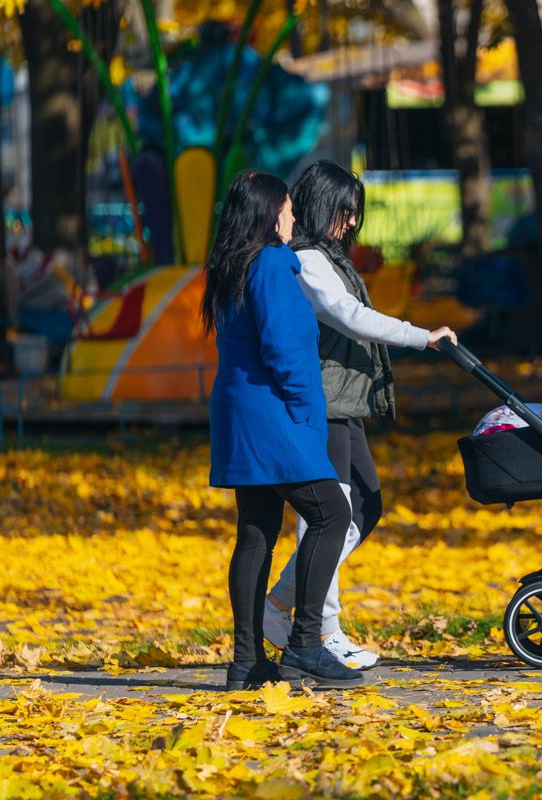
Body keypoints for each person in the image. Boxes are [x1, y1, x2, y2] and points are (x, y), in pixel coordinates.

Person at [262, 160, 456, 669]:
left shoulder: (328, 256)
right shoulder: (306, 259)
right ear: (322, 205)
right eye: (345, 212)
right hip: (323, 402)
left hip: (344, 402)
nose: (351, 223)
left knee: (364, 509)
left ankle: (283, 605)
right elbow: (349, 317)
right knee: (328, 517)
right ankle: (320, 628)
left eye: (355, 214)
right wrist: (422, 336)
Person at [203, 170, 363, 690]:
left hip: (240, 417)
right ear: (271, 213)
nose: (294, 217)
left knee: (256, 533)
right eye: (289, 208)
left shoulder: (231, 266)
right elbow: (287, 350)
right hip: (276, 416)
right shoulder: (272, 264)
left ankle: (247, 660)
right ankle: (305, 645)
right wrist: (305, 413)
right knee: (332, 513)